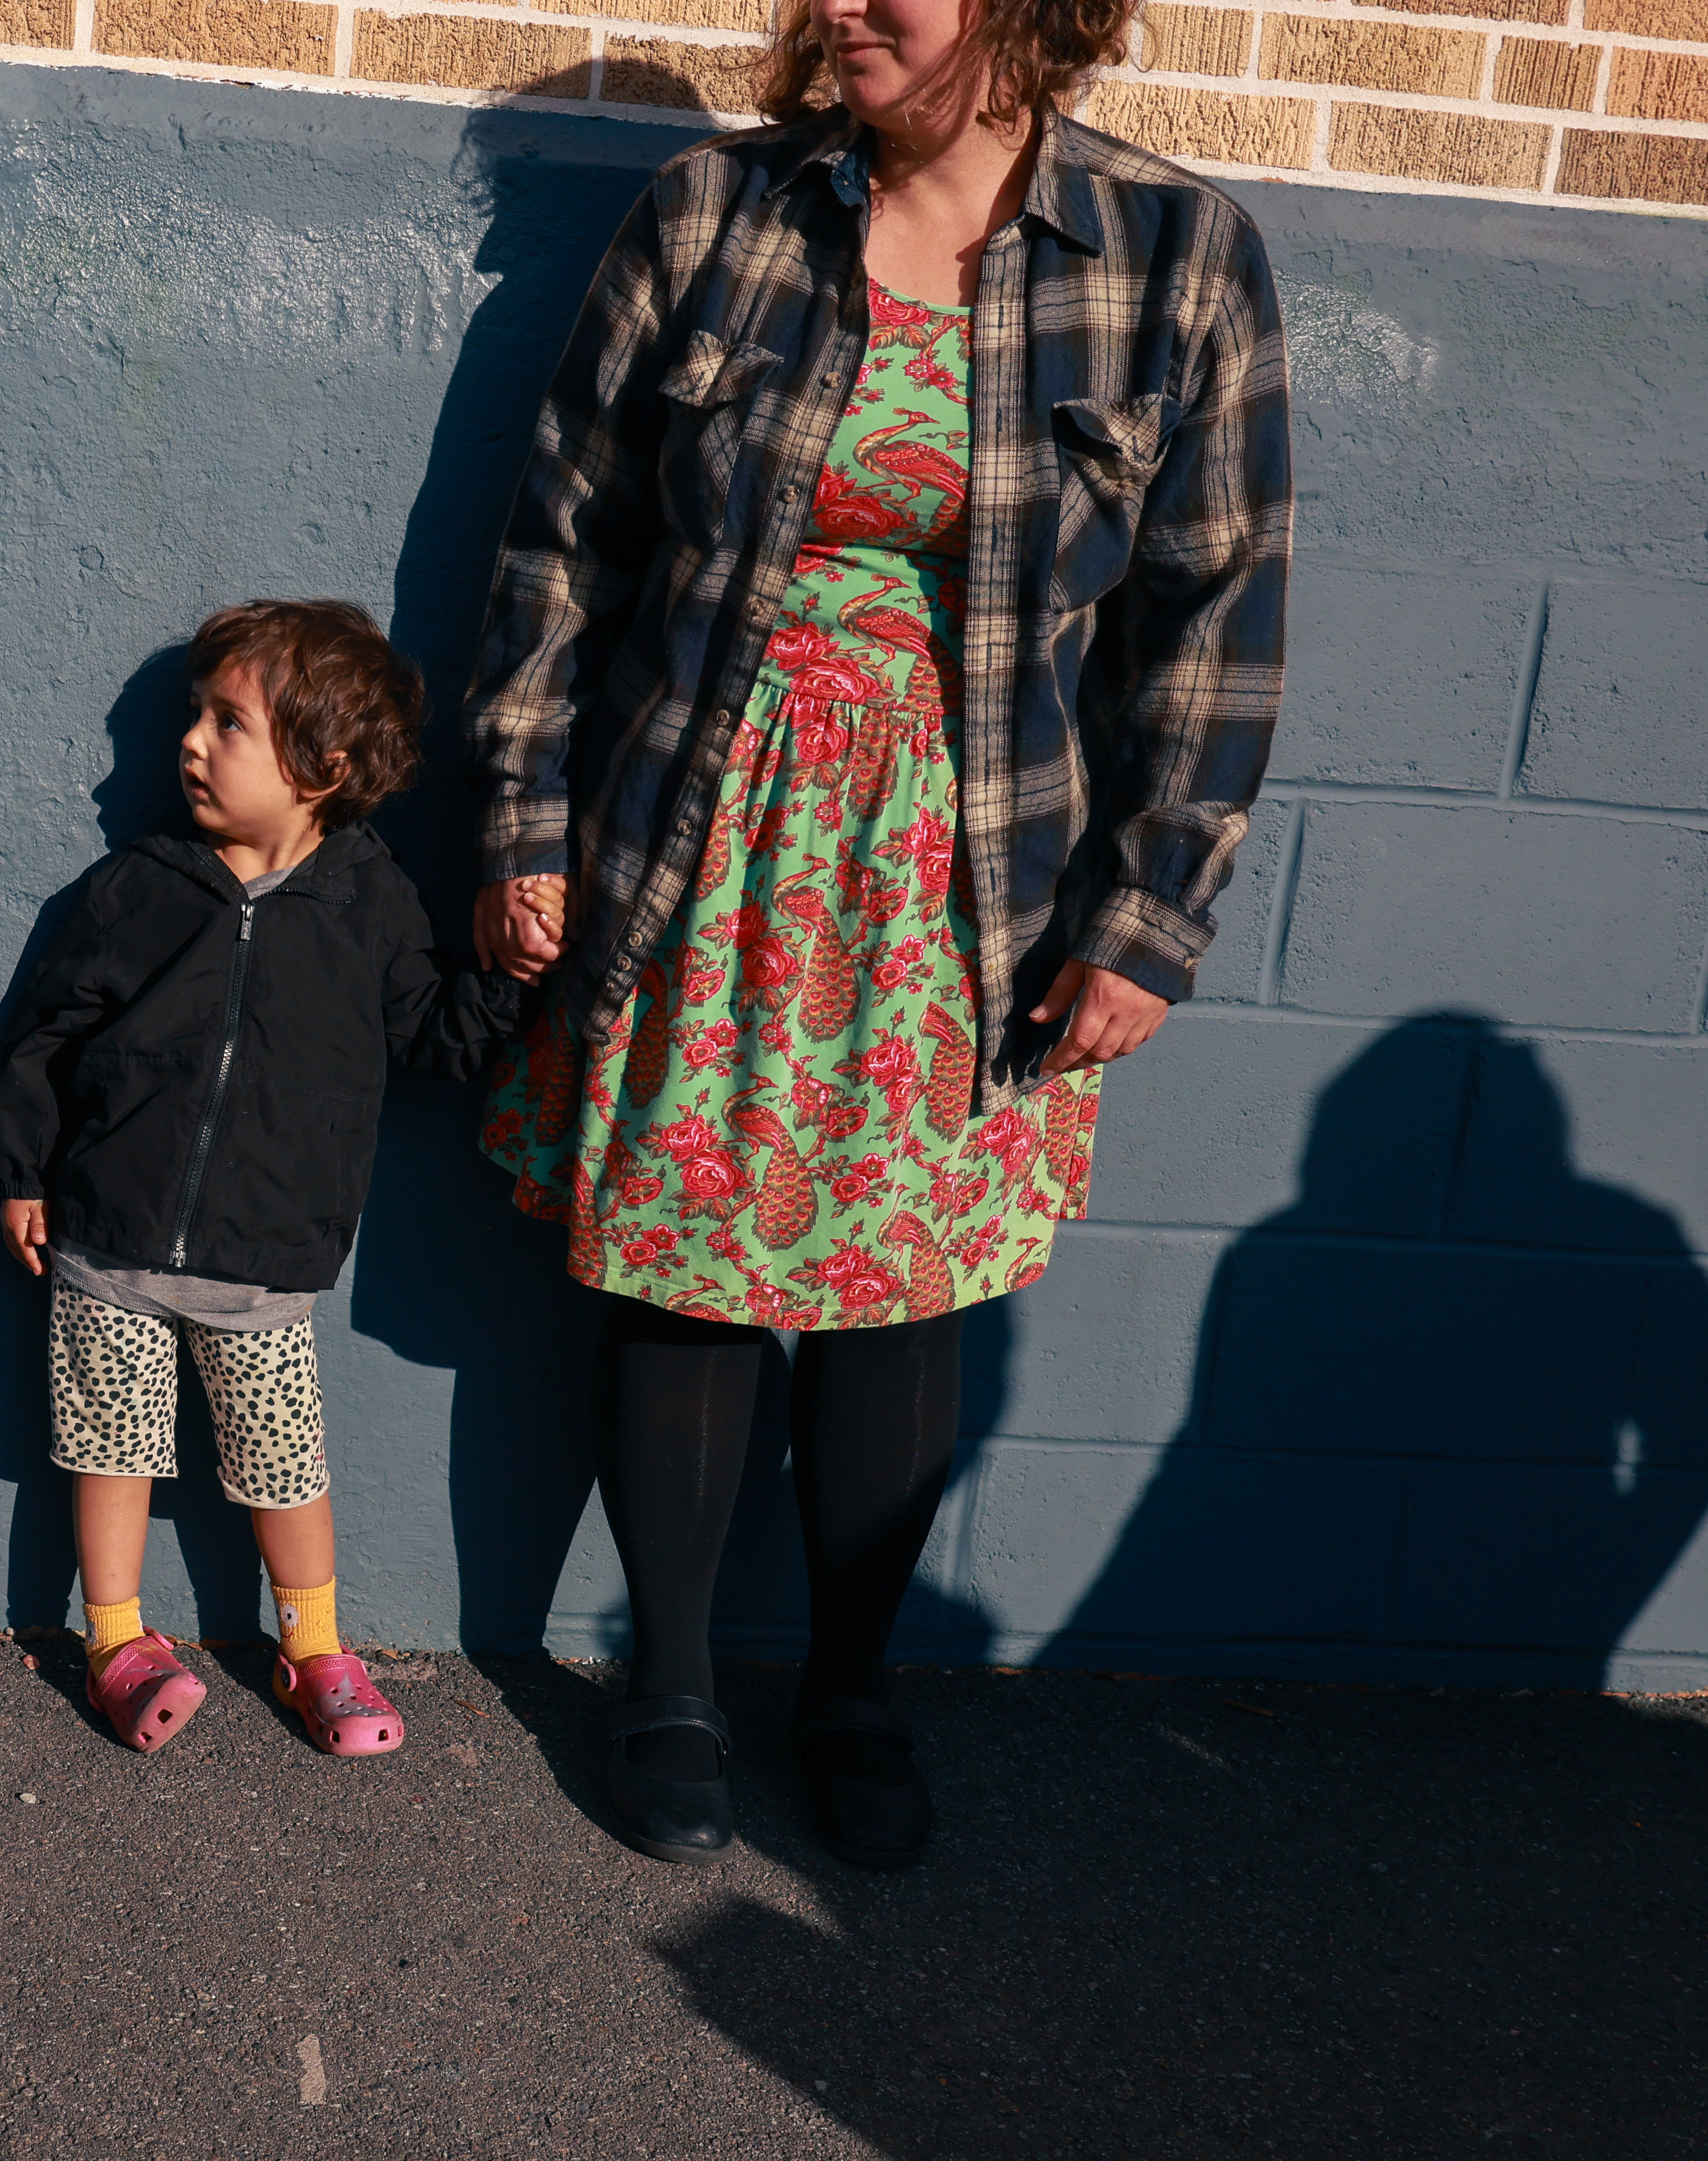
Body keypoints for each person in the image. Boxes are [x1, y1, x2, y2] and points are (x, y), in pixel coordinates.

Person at [465, 0, 1286, 1869]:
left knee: (902, 1282)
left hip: (971, 872)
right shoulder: (711, 219)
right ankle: (668, 1680)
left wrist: (1153, 918)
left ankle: (849, 1682)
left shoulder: (1178, 259)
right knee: (687, 1253)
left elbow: (1219, 619)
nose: (836, 7)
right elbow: (560, 544)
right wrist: (521, 817)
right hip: (703, 832)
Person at [0, 602, 548, 1759]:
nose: (191, 742)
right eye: (196, 714)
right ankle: (119, 1641)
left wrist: (507, 979)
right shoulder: (140, 885)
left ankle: (317, 1650)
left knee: (283, 1458)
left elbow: (435, 1038)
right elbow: (45, 1034)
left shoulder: (374, 904)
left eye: (228, 723)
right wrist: (25, 1168)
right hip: (111, 1239)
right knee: (112, 1448)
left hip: (266, 1258)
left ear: (324, 767)